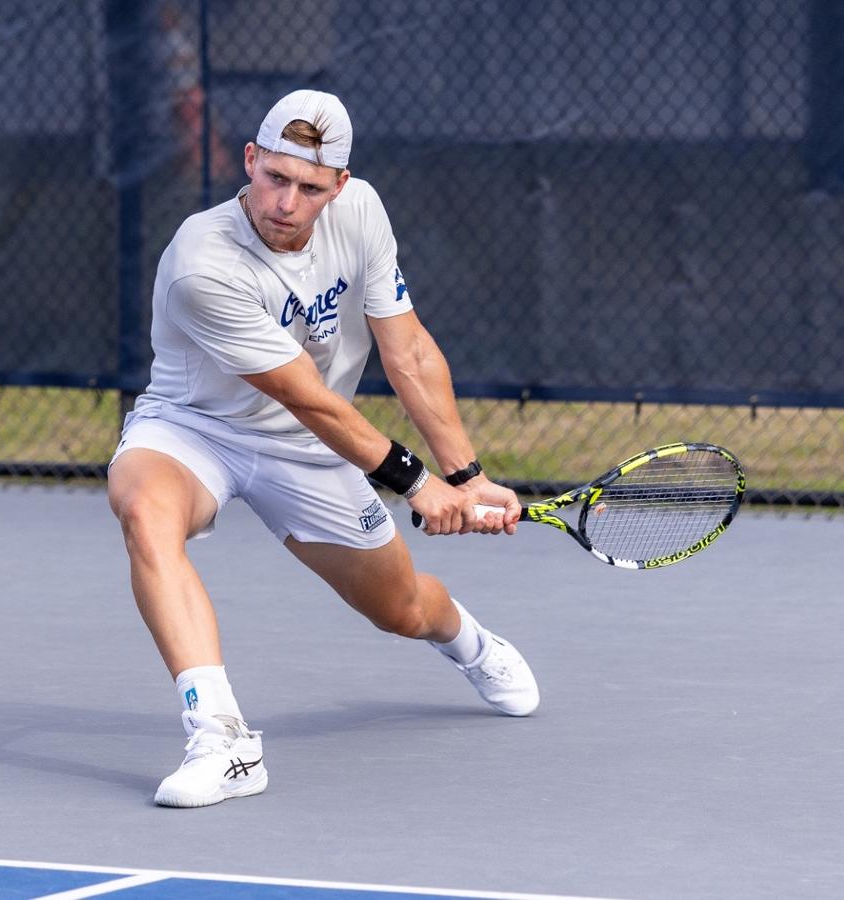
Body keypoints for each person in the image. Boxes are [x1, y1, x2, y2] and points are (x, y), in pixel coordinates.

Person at [107, 89, 539, 809]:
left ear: (337, 187)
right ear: (249, 161)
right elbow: (304, 394)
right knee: (144, 512)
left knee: (401, 609)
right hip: (195, 428)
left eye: (309, 188)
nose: (286, 201)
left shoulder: (361, 212)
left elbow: (408, 351)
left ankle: (468, 642)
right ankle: (222, 739)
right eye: (274, 177)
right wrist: (417, 483)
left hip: (310, 450)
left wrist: (468, 475)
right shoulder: (201, 261)